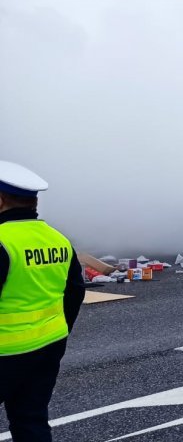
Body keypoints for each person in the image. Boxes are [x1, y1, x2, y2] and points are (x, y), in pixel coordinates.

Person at [0, 160, 86, 441]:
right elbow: (75, 292)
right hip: (47, 349)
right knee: (31, 422)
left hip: (4, 352)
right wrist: (57, 333)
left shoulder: (2, 241)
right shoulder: (58, 240)